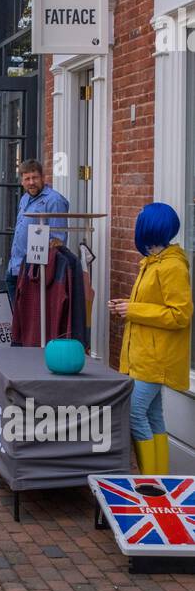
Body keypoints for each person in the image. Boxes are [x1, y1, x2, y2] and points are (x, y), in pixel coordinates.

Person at [111, 202, 193, 473]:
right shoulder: (153, 262)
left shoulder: (171, 267)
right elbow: (152, 305)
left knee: (135, 414)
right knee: (153, 415)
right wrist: (126, 305)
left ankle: (150, 481)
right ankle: (160, 480)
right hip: (145, 354)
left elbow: (180, 315)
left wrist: (132, 310)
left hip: (155, 357)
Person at [6, 158, 69, 306]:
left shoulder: (54, 201)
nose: (31, 182)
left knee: (32, 321)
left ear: (43, 178)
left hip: (34, 273)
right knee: (18, 319)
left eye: (34, 178)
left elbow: (57, 242)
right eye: (27, 179)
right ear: (22, 181)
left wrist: (40, 274)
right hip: (15, 267)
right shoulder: (25, 199)